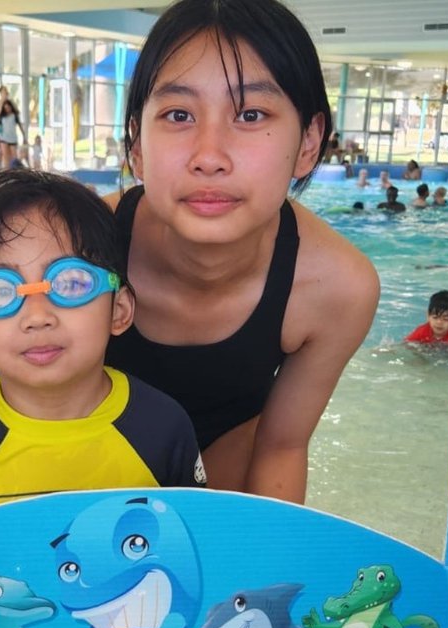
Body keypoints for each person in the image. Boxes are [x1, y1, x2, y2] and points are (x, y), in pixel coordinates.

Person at [103, 0, 380, 503]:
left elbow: (283, 446)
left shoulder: (336, 287)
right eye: (179, 114)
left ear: (308, 142)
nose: (209, 157)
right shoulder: (80, 247)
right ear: (136, 145)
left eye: (251, 114)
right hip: (90, 471)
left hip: (230, 469)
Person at [0, 169, 205, 532]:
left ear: (119, 310)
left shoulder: (162, 428)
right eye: (1, 291)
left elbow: (191, 548)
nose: (37, 317)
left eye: (70, 283)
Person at [0, 85, 26, 170]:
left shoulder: (11, 103)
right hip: (3, 134)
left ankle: (13, 171)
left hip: (12, 136)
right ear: (0, 93)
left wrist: (24, 136)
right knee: (4, 155)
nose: (5, 93)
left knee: (14, 157)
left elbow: (17, 112)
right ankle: (3, 170)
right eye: (3, 91)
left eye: (6, 91)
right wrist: (0, 112)